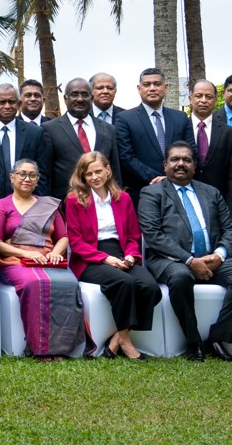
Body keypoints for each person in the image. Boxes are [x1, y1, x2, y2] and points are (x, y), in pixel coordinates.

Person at [139, 143, 232, 361]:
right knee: (181, 276)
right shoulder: (152, 193)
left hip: (212, 258)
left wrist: (220, 255)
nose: (181, 164)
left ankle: (218, 338)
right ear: (165, 165)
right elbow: (153, 235)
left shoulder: (211, 192)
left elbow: (229, 229)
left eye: (187, 160)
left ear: (195, 166)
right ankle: (193, 341)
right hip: (170, 260)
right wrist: (189, 260)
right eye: (175, 159)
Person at [63, 152, 160, 361]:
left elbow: (134, 235)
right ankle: (126, 342)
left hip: (122, 252)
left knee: (151, 288)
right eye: (88, 174)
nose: (94, 177)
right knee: (124, 282)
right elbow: (76, 242)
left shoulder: (122, 198)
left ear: (109, 170)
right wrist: (105, 259)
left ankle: (118, 336)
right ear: (82, 176)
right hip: (90, 258)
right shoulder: (74, 200)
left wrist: (131, 256)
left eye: (98, 171)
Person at [0, 159, 81, 361]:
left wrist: (56, 252)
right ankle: (39, 347)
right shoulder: (1, 205)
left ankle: (62, 347)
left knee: (69, 283)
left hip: (48, 259)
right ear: (12, 177)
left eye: (32, 175)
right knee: (34, 283)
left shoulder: (48, 204)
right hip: (14, 260)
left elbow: (64, 236)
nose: (27, 179)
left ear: (38, 180)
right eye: (22, 174)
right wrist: (26, 254)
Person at [114, 68, 194, 194]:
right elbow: (126, 157)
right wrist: (160, 179)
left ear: (166, 87)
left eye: (157, 84)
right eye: (147, 84)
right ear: (139, 88)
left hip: (180, 187)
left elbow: (191, 151)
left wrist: (173, 177)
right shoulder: (125, 119)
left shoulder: (181, 117)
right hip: (143, 189)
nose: (152, 88)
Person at [41, 78, 121, 200]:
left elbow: (115, 168)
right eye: (74, 94)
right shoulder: (49, 129)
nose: (80, 99)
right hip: (65, 203)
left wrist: (117, 198)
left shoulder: (108, 129)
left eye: (85, 95)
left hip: (104, 201)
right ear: (65, 98)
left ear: (92, 99)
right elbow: (45, 172)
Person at [189, 80, 232, 229]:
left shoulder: (230, 134)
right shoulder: (179, 128)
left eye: (208, 96)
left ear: (215, 100)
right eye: (198, 96)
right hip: (185, 204)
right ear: (190, 99)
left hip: (219, 205)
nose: (203, 100)